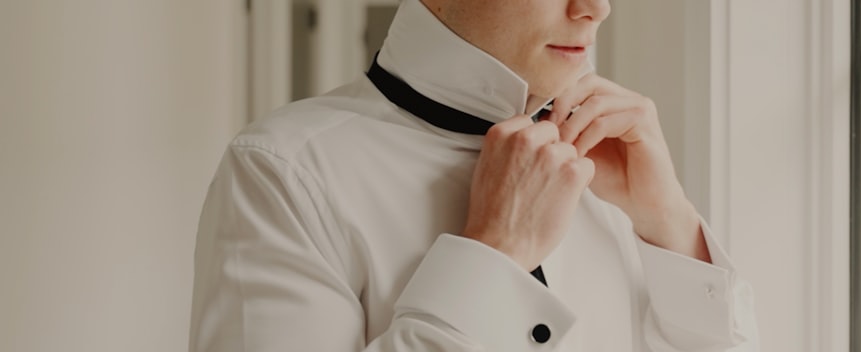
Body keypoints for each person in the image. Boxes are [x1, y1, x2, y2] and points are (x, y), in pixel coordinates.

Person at [188, 0, 759, 350]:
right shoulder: (283, 173)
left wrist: (672, 230)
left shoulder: (619, 173)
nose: (597, 6)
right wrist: (496, 255)